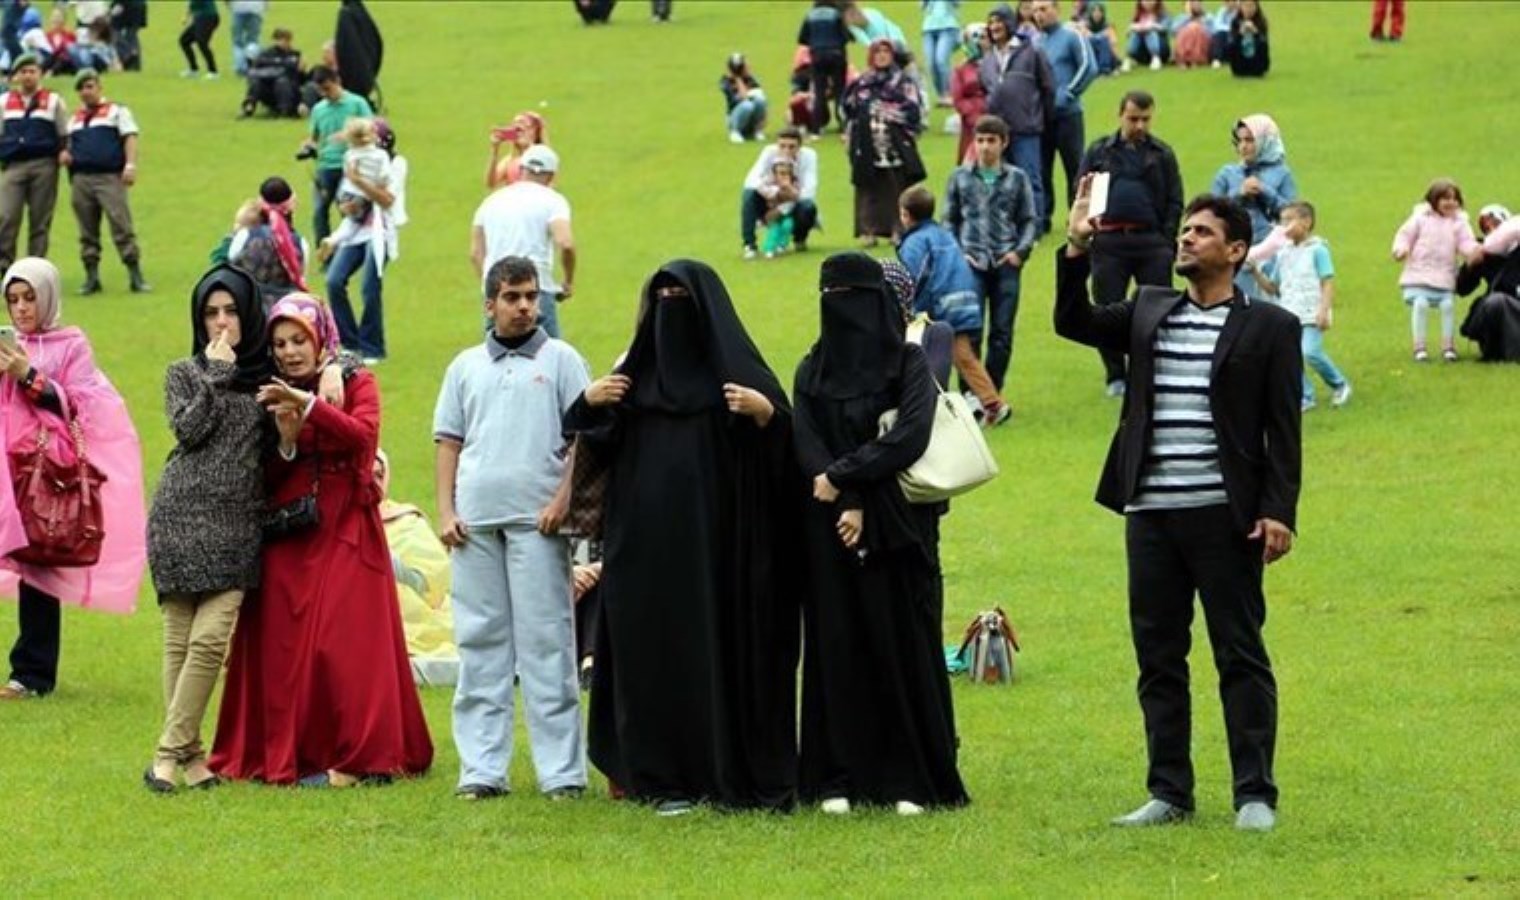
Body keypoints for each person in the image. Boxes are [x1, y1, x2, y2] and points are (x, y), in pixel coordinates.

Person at [1057, 183, 1300, 833]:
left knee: (1239, 653)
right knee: (1158, 657)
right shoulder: (1149, 308)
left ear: (1236, 250)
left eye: (1202, 232)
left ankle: (1254, 794)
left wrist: (1279, 511)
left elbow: (1284, 431)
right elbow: (1073, 321)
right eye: (1185, 230)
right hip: (1151, 515)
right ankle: (1169, 791)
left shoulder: (1271, 327)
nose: (1186, 238)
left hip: (1227, 516)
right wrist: (1076, 246)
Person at [563, 260, 800, 816]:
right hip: (643, 554)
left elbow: (788, 455)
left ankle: (719, 770)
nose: (671, 313)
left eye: (682, 301)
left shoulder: (737, 379)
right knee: (653, 657)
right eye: (662, 299)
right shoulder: (631, 382)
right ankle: (658, 776)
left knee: (715, 654)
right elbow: (587, 444)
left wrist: (765, 414)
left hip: (718, 556)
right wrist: (588, 402)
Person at [210, 294, 433, 786]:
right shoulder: (269, 391)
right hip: (290, 530)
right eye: (280, 343)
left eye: (299, 340)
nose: (290, 352)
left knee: (345, 642)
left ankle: (363, 756)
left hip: (347, 524)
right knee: (285, 645)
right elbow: (263, 472)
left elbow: (363, 437)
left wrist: (310, 405)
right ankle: (295, 752)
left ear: (319, 341)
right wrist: (287, 439)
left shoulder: (355, 382)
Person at [793, 251, 970, 816]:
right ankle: (837, 776)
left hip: (898, 524)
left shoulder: (907, 363)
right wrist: (846, 497)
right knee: (837, 644)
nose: (838, 309)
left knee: (900, 642)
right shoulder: (812, 368)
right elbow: (807, 441)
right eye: (830, 297)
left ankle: (909, 778)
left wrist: (847, 485)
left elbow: (909, 436)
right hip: (831, 527)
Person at [433, 255, 590, 801]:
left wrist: (562, 500)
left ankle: (562, 773)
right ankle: (481, 769)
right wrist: (446, 511)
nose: (525, 306)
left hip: (537, 523)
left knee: (547, 644)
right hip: (474, 523)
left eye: (531, 296)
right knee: (480, 644)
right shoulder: (465, 366)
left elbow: (583, 438)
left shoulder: (562, 359)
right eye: (512, 297)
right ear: (490, 304)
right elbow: (448, 442)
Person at [142, 265, 273, 792]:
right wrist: (216, 374)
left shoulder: (269, 377)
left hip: (236, 526)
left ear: (250, 315)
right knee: (179, 641)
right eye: (210, 314)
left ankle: (166, 754)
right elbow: (188, 430)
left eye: (231, 312)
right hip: (178, 516)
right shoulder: (184, 372)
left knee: (211, 642)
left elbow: (323, 349)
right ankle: (191, 760)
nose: (221, 323)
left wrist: (339, 367)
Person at [0, 257, 146, 700]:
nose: (21, 308)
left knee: (36, 568)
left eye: (29, 298)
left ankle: (31, 675)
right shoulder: (7, 342)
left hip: (41, 476)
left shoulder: (70, 345)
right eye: (13, 300)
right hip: (4, 468)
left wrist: (28, 376)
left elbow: (81, 405)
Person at [1076, 90, 1184, 397]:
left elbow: (1175, 198)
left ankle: (1150, 371)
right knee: (1106, 309)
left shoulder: (1162, 154)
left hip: (1151, 243)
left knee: (1157, 309)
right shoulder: (1100, 152)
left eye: (1145, 119)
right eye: (1133, 119)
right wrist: (1091, 232)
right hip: (1109, 241)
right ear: (1120, 115)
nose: (1139, 125)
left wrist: (1166, 240)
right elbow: (1082, 192)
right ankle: (1115, 375)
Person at [896, 184, 1009, 424]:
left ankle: (991, 404)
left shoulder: (915, 242)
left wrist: (910, 310)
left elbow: (914, 278)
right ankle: (985, 403)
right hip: (964, 300)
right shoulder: (944, 234)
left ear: (905, 214)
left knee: (949, 356)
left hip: (940, 307)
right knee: (961, 356)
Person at [942, 115, 1037, 398]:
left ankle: (993, 391)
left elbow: (1029, 220)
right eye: (980, 140)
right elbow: (948, 221)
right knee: (969, 332)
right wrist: (959, 255)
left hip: (1006, 262)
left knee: (1002, 333)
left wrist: (1019, 252)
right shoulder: (959, 177)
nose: (985, 147)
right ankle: (971, 395)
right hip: (970, 264)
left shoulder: (1017, 178)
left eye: (991, 141)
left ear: (1003, 143)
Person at [1244, 201, 1351, 411]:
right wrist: (1255, 271)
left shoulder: (1317, 250)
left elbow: (1327, 281)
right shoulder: (1283, 253)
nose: (1284, 226)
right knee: (1291, 357)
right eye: (1282, 221)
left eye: (1289, 220)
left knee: (1310, 351)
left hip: (1311, 311)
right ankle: (1305, 396)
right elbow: (1273, 287)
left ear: (1306, 222)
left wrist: (1324, 309)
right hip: (1289, 313)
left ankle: (1340, 384)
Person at [320, 117, 406, 363]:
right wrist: (345, 205)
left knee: (369, 288)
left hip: (379, 232)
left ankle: (372, 347)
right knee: (334, 280)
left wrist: (359, 181)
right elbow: (345, 195)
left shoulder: (395, 163)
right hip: (354, 230)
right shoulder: (354, 158)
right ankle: (349, 342)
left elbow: (387, 199)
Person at [471, 145, 574, 338]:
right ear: (552, 175)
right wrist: (568, 281)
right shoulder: (553, 201)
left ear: (520, 169)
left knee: (496, 354)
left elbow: (476, 254)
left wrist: (490, 285)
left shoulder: (490, 202)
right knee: (548, 354)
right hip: (535, 291)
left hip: (497, 294)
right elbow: (565, 243)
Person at [373, 449, 458, 687]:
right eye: (368, 476)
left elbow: (433, 583)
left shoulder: (405, 521)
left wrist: (391, 564)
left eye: (379, 476)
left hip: (411, 617)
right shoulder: (335, 522)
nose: (374, 484)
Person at [67, 69, 148, 295]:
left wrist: (130, 165)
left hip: (109, 176)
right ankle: (91, 277)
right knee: (87, 230)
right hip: (81, 178)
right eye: (81, 88)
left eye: (89, 86)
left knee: (120, 223)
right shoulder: (75, 119)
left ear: (99, 88)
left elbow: (130, 137)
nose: (86, 92)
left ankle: (135, 274)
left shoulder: (116, 111)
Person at [843, 38, 924, 246]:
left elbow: (913, 110)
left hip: (895, 142)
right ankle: (867, 230)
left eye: (886, 52)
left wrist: (886, 112)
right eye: (877, 52)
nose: (881, 56)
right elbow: (850, 108)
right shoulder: (862, 83)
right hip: (866, 141)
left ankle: (898, 228)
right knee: (867, 185)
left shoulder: (903, 82)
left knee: (896, 185)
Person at [1391, 179, 1482, 363]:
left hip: (1444, 276)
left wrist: (1474, 252)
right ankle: (1419, 347)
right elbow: (1405, 235)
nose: (1451, 203)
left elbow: (1465, 241)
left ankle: (1448, 347)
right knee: (1421, 304)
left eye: (1454, 199)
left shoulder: (1458, 223)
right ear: (1434, 200)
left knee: (1448, 306)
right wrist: (1401, 249)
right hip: (1419, 275)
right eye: (1445, 198)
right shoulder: (1420, 218)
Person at [980, 4, 1054, 227]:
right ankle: (1007, 226)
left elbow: (1048, 87)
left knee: (1030, 178)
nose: (994, 26)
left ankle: (1034, 226)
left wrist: (1040, 116)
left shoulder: (1031, 51)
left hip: (1025, 126)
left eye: (998, 21)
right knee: (999, 181)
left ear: (1009, 23)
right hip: (996, 131)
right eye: (991, 22)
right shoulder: (987, 60)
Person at [1211, 114, 1295, 299]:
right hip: (1234, 250)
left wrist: (1264, 191)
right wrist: (1239, 194)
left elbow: (1292, 215)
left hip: (1271, 251)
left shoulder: (1282, 173)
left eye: (1250, 140)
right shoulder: (1227, 174)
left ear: (1265, 141)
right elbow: (1211, 212)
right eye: (1240, 140)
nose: (1243, 146)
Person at [0, 55, 68, 276]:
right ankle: (4, 264)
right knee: (7, 216)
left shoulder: (53, 100)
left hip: (44, 164)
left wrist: (63, 152)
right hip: (13, 164)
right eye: (24, 72)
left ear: (40, 74)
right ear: (16, 76)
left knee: (40, 219)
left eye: (32, 71)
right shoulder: (4, 101)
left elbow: (63, 132)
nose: (28, 76)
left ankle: (35, 268)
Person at [1032, 0, 1094, 235]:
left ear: (1056, 9)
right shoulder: (1036, 42)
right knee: (1042, 169)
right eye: (1036, 10)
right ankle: (1043, 219)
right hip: (1041, 117)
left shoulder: (1071, 36)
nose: (1039, 15)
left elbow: (1089, 66)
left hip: (1069, 115)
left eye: (1044, 9)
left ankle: (1076, 217)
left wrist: (1068, 94)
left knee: (1075, 168)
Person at [300, 66, 373, 244]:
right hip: (325, 165)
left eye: (327, 89)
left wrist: (347, 135)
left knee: (347, 211)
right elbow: (314, 137)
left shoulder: (357, 103)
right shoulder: (318, 109)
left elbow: (371, 129)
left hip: (351, 166)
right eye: (320, 91)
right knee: (319, 210)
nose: (325, 94)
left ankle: (350, 246)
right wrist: (308, 146)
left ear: (337, 82)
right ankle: (324, 250)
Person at [740, 127, 819, 260]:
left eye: (792, 147)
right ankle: (749, 245)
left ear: (800, 147)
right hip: (770, 200)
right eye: (782, 146)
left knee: (808, 206)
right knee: (749, 194)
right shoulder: (769, 152)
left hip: (795, 203)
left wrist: (782, 208)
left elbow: (809, 192)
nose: (786, 151)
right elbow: (751, 180)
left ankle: (799, 239)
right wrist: (775, 193)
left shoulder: (809, 156)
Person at [229, 176, 308, 309]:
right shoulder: (300, 243)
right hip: (285, 311)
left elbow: (231, 264)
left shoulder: (245, 236)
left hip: (249, 307)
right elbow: (301, 277)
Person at [797, 1, 851, 137]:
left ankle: (816, 129)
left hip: (817, 56)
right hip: (837, 55)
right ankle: (844, 126)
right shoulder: (836, 15)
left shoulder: (810, 16)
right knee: (840, 92)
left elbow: (802, 39)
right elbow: (846, 37)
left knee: (819, 92)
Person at [240, 27, 302, 119]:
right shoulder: (266, 54)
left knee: (281, 81)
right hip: (268, 90)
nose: (284, 43)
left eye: (286, 40)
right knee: (256, 83)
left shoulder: (294, 54)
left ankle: (284, 110)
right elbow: (255, 69)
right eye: (281, 40)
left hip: (287, 91)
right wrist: (281, 63)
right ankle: (249, 107)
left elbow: (297, 74)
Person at [948, 23, 986, 165]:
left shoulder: (997, 64)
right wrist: (973, 115)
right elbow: (958, 98)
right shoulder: (961, 69)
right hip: (971, 123)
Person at [484, 110, 549, 191]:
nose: (518, 124)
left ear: (534, 131)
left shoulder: (543, 157)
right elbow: (491, 183)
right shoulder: (510, 160)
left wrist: (530, 147)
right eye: (515, 126)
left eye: (523, 123)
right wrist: (495, 150)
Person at [719, 52, 767, 144]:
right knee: (747, 105)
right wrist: (738, 78)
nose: (749, 66)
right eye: (746, 65)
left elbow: (761, 98)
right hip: (734, 119)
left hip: (750, 119)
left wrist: (762, 124)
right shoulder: (725, 82)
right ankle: (735, 132)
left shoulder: (751, 79)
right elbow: (743, 97)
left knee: (760, 101)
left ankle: (756, 131)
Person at [920, 0, 960, 108]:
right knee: (930, 64)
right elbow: (922, 6)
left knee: (941, 61)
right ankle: (941, 95)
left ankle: (949, 93)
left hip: (948, 26)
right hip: (928, 27)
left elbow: (958, 3)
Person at [759, 158, 799, 258]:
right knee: (774, 229)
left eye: (786, 174)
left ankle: (781, 245)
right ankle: (769, 249)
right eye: (780, 173)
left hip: (787, 215)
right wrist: (779, 191)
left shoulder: (794, 185)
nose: (783, 177)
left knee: (788, 225)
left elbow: (796, 197)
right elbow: (768, 195)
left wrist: (788, 187)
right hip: (773, 215)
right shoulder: (769, 185)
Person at [1224, 0, 1268, 77]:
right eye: (1246, 6)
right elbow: (1230, 48)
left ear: (1256, 7)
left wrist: (1256, 32)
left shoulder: (1261, 22)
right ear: (1241, 7)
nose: (1249, 9)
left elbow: (1264, 46)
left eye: (1251, 6)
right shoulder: (1235, 22)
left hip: (1257, 67)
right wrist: (1240, 34)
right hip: (1239, 67)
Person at [178, 0, 220, 79]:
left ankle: (213, 72)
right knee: (184, 40)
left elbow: (194, 3)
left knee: (202, 42)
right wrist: (186, 16)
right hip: (200, 18)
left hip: (209, 17)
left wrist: (187, 15)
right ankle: (193, 70)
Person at [1123, 0, 1169, 71]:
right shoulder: (1138, 14)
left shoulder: (1162, 14)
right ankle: (1128, 58)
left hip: (1160, 51)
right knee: (1137, 32)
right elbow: (1127, 34)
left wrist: (1153, 26)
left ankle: (1155, 57)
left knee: (1149, 31)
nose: (1148, 2)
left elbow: (1165, 28)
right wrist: (1133, 28)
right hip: (1142, 53)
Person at [228, 0, 265, 76]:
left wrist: (229, 5)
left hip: (238, 9)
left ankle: (240, 67)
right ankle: (251, 65)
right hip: (255, 8)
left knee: (238, 41)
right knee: (253, 40)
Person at [109, 0, 148, 72]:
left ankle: (128, 55)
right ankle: (134, 62)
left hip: (125, 5)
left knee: (114, 31)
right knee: (131, 35)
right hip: (139, 5)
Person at [1169, 0, 1210, 67]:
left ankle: (1192, 59)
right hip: (1184, 45)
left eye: (1197, 2)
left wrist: (1199, 25)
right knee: (1188, 29)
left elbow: (1211, 33)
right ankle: (1185, 58)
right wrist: (1188, 17)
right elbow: (1173, 31)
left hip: (1201, 45)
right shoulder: (1181, 17)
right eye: (1191, 3)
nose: (1195, 5)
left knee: (1195, 27)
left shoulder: (1208, 17)